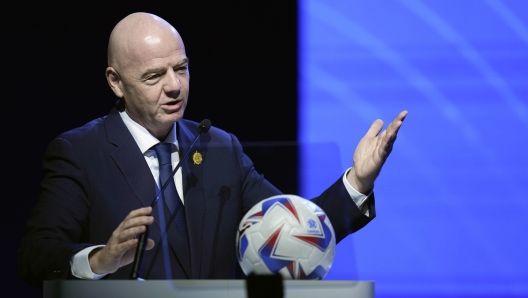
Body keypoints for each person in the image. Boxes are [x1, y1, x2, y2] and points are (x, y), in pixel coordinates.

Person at [17, 12, 407, 288]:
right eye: (154, 75)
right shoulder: (79, 151)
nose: (174, 86)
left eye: (181, 68)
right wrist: (99, 259)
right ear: (116, 82)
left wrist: (357, 181)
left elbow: (296, 234)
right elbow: (36, 256)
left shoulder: (218, 148)